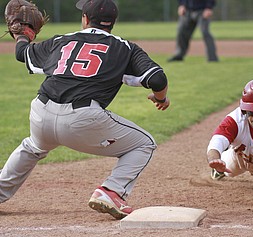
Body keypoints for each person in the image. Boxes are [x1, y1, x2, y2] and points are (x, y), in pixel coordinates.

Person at [0, 0, 170, 220]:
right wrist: (161, 98)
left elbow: (22, 53)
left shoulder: (62, 40)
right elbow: (157, 78)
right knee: (144, 143)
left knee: (33, 146)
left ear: (85, 19)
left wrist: (23, 34)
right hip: (83, 120)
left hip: (41, 111)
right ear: (113, 23)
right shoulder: (125, 48)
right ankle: (112, 191)